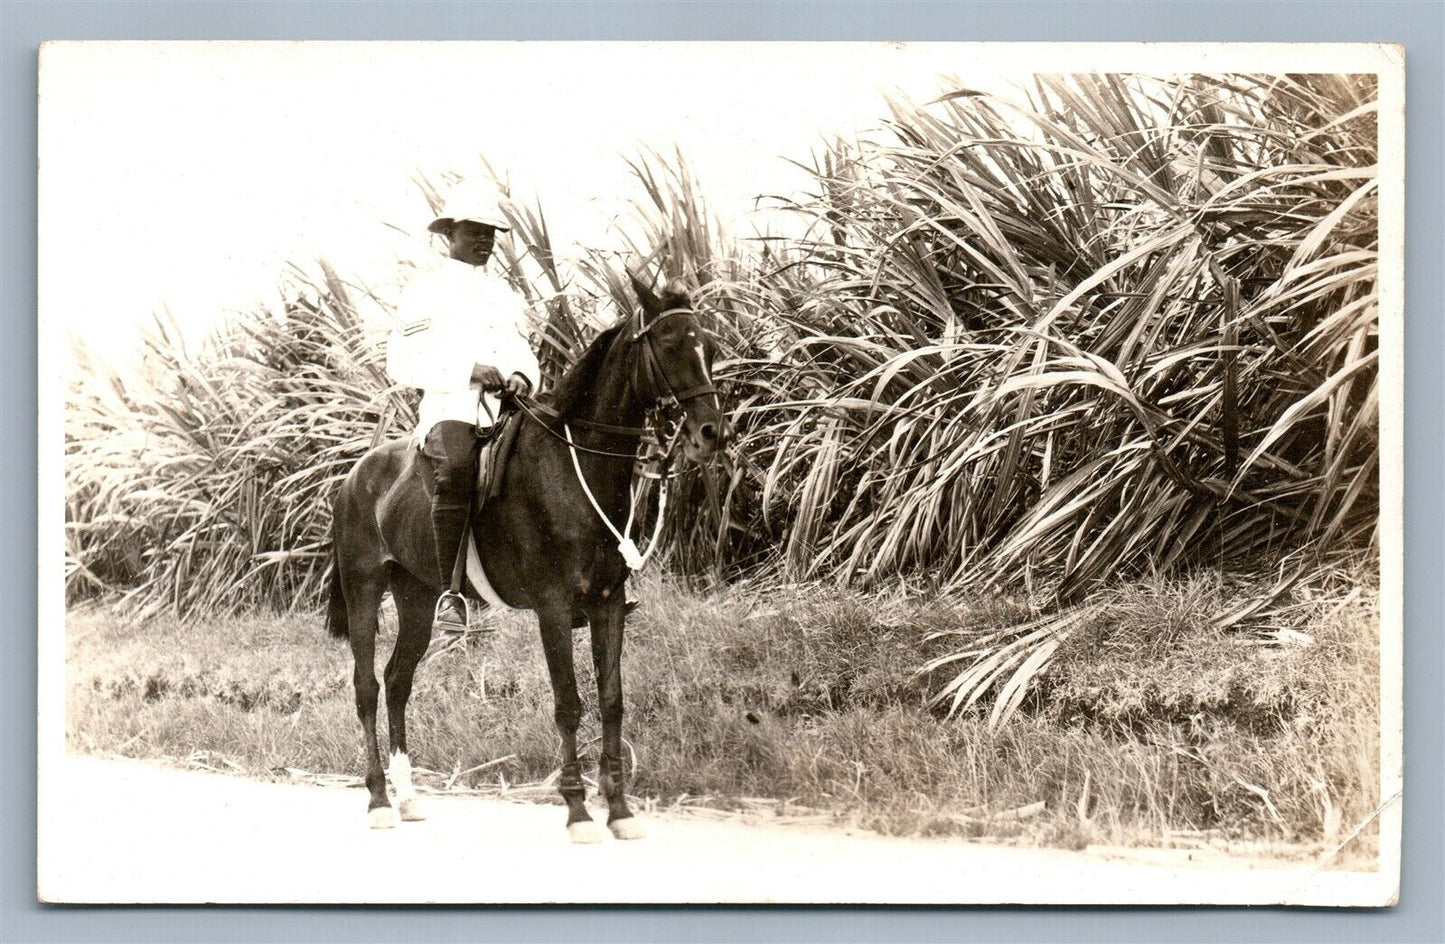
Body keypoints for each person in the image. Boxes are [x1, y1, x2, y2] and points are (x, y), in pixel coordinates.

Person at [386, 182, 540, 631]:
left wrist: (521, 376)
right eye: (475, 230)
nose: (485, 240)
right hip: (451, 408)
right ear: (449, 234)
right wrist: (469, 370)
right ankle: (451, 595)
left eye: (491, 232)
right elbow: (403, 360)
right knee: (455, 469)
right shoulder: (424, 291)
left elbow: (524, 352)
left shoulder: (507, 296)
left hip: (507, 409)